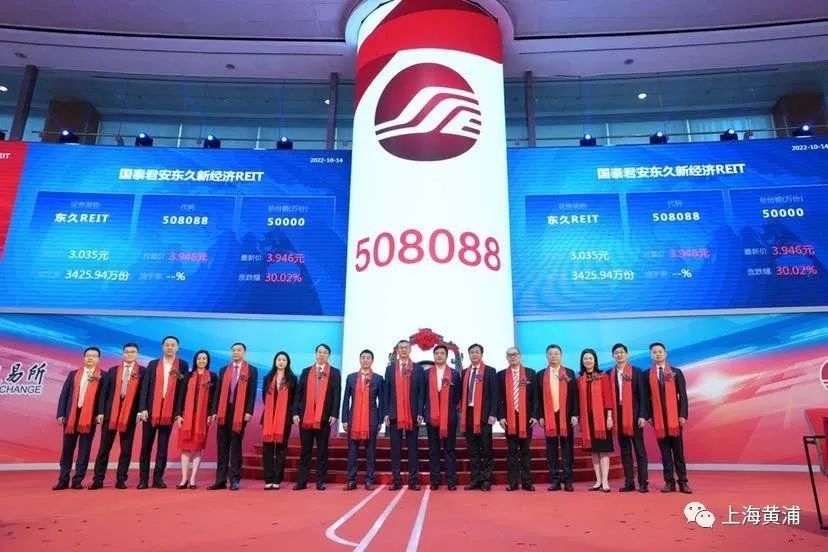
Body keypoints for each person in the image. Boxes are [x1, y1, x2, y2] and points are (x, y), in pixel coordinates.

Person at [90, 343, 145, 490]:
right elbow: (104, 392)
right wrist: (101, 412)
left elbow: (143, 393)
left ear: (137, 354)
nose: (129, 354)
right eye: (127, 352)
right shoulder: (113, 371)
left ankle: (121, 479)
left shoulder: (142, 371)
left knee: (126, 450)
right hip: (110, 414)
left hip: (130, 415)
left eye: (132, 352)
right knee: (104, 449)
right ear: (123, 354)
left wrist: (140, 410)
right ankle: (98, 480)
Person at [137, 336, 188, 489]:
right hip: (150, 412)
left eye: (173, 345)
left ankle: (158, 479)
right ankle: (143, 480)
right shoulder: (153, 364)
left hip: (169, 413)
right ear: (162, 347)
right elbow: (145, 387)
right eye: (167, 345)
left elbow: (182, 391)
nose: (170, 347)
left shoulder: (183, 365)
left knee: (162, 447)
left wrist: (178, 412)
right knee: (146, 447)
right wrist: (143, 408)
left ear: (177, 347)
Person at [53, 346, 105, 490]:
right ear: (83, 358)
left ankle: (77, 480)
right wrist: (61, 413)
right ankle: (63, 480)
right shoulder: (73, 374)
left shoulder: (103, 376)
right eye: (88, 355)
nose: (90, 358)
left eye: (93, 356)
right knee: (67, 450)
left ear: (98, 359)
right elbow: (64, 395)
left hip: (89, 418)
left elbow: (103, 397)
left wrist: (100, 413)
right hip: (71, 416)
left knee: (84, 451)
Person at [208, 343, 258, 491]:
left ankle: (234, 479)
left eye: (239, 350)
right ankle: (220, 480)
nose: (236, 352)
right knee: (222, 446)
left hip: (240, 412)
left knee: (235, 446)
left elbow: (252, 392)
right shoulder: (224, 369)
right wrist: (214, 410)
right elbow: (218, 392)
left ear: (244, 352)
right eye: (234, 350)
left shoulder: (251, 370)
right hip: (224, 411)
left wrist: (249, 411)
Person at [293, 343, 342, 491]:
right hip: (306, 418)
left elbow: (336, 395)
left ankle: (320, 481)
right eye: (319, 352)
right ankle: (302, 482)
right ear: (316, 354)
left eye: (325, 352)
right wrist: (295, 412)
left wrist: (334, 414)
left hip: (324, 418)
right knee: (305, 451)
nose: (322, 354)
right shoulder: (306, 371)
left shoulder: (334, 372)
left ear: (328, 355)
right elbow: (298, 394)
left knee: (322, 451)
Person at [645, 342, 692, 494]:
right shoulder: (647, 374)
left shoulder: (676, 372)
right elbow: (646, 398)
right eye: (654, 352)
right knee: (665, 454)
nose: (657, 354)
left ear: (665, 353)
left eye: (660, 351)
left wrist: (683, 414)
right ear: (651, 355)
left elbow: (683, 395)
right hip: (658, 420)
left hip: (675, 420)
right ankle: (669, 482)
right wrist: (649, 416)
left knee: (678, 452)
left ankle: (683, 482)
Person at [383, 339, 424, 491]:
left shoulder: (418, 369)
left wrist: (420, 412)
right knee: (395, 449)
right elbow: (386, 392)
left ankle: (413, 480)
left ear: (410, 349)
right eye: (401, 348)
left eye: (406, 347)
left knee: (413, 449)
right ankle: (396, 480)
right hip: (394, 414)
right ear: (397, 350)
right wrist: (386, 413)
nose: (404, 350)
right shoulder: (390, 369)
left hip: (412, 414)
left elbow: (421, 393)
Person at [609, 343, 649, 493]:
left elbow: (643, 396)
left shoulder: (637, 372)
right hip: (618, 415)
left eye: (621, 352)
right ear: (613, 356)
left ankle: (643, 483)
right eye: (616, 353)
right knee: (625, 451)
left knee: (639, 451)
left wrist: (643, 415)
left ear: (627, 354)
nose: (619, 355)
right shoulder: (609, 373)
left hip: (634, 415)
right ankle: (629, 482)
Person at [537, 344, 578, 492]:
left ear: (561, 356)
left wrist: (575, 414)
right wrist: (540, 415)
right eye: (550, 354)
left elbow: (575, 396)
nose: (553, 356)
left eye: (556, 353)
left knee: (567, 449)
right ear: (546, 356)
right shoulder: (540, 374)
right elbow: (538, 398)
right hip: (549, 415)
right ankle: (555, 480)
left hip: (565, 415)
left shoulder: (570, 373)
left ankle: (568, 480)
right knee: (551, 449)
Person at [342, 349, 384, 490]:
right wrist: (345, 419)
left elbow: (381, 401)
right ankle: (351, 480)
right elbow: (346, 400)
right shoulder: (351, 377)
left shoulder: (378, 378)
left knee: (370, 451)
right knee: (352, 451)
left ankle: (369, 480)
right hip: (353, 419)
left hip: (371, 419)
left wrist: (380, 420)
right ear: (359, 360)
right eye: (363, 357)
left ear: (372, 360)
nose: (365, 360)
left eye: (368, 358)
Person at [497, 347, 538, 491]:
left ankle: (527, 482)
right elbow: (499, 398)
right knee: (512, 452)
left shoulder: (530, 373)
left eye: (515, 354)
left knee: (525, 451)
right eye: (509, 355)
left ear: (520, 356)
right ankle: (513, 482)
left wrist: (535, 415)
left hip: (526, 418)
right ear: (506, 358)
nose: (512, 357)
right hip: (509, 418)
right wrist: (501, 417)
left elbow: (535, 397)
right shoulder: (501, 375)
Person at [175, 350, 217, 489]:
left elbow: (214, 397)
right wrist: (178, 414)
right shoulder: (188, 375)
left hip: (202, 417)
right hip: (186, 416)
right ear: (195, 360)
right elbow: (180, 395)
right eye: (199, 358)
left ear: (208, 361)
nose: (201, 361)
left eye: (204, 358)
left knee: (198, 447)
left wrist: (212, 413)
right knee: (185, 448)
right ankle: (184, 479)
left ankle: (193, 479)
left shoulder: (213, 376)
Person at [423, 345, 462, 491]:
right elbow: (423, 395)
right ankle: (435, 480)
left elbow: (457, 395)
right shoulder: (426, 374)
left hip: (449, 417)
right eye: (437, 353)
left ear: (446, 356)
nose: (439, 356)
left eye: (442, 353)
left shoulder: (454, 374)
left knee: (449, 450)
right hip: (431, 417)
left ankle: (451, 481)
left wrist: (448, 407)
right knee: (433, 450)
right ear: (434, 356)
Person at [461, 343, 498, 491]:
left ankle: (486, 479)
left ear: (482, 354)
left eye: (477, 352)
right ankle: (475, 479)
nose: (474, 354)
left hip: (484, 415)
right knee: (473, 450)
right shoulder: (464, 372)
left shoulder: (490, 371)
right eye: (472, 352)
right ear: (469, 355)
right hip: (468, 415)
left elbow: (495, 394)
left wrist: (493, 413)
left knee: (486, 450)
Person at [577, 348, 614, 492]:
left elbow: (608, 398)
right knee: (594, 451)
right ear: (582, 361)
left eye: (590, 358)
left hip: (602, 419)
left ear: (595, 360)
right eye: (585, 358)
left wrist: (609, 417)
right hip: (587, 420)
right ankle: (598, 480)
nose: (588, 361)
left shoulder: (603, 376)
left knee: (603, 451)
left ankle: (605, 481)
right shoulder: (579, 379)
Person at [261, 351, 297, 490]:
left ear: (287, 363)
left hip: (285, 418)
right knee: (267, 449)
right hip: (269, 417)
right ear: (275, 362)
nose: (281, 362)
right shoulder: (268, 377)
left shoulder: (292, 378)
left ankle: (277, 479)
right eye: (279, 360)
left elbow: (294, 399)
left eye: (283, 360)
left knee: (281, 449)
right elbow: (264, 397)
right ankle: (268, 479)